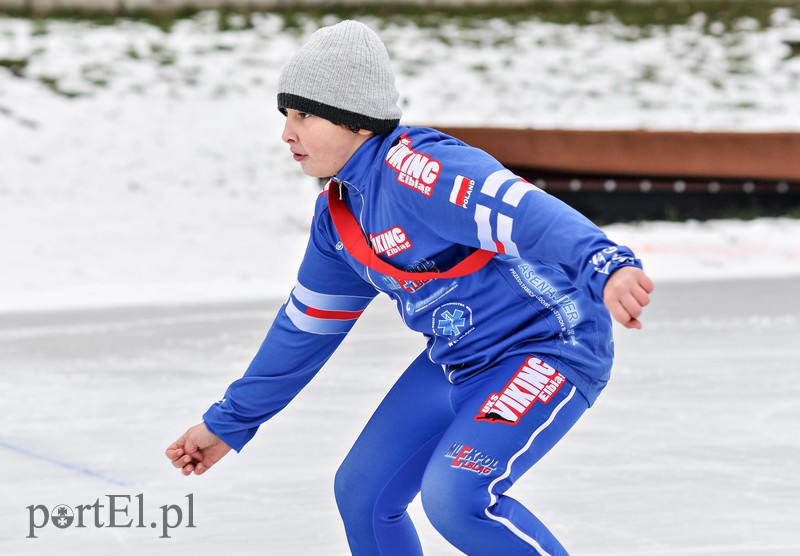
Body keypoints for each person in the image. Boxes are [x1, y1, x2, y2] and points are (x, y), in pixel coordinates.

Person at [166, 20, 654, 556]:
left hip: (544, 348)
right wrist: (228, 423)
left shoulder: (421, 169)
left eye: (304, 114)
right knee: (362, 494)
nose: (287, 133)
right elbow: (303, 330)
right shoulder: (340, 219)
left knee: (457, 500)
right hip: (458, 360)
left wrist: (605, 264)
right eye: (285, 116)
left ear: (354, 120)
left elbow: (524, 212)